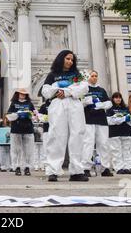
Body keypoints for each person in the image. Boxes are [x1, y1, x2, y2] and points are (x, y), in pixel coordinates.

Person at [41, 50, 89, 182]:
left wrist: (67, 91)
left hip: (74, 104)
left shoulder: (76, 74)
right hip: (58, 105)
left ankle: (77, 171)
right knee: (56, 136)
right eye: (67, 59)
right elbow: (45, 91)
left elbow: (84, 88)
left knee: (77, 135)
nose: (70, 62)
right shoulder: (52, 75)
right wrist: (57, 89)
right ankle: (53, 170)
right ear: (61, 59)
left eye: (72, 60)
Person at [81, 70, 113, 177]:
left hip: (101, 120)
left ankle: (105, 168)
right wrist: (87, 101)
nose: (94, 77)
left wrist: (101, 105)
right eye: (92, 76)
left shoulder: (101, 90)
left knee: (103, 144)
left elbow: (109, 103)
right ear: (88, 77)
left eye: (96, 76)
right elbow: (79, 102)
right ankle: (85, 168)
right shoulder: (84, 88)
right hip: (88, 119)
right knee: (88, 144)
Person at [6, 88, 36, 176]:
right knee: (16, 149)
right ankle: (17, 167)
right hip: (16, 128)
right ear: (17, 94)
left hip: (28, 128)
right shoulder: (14, 103)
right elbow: (9, 115)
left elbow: (35, 115)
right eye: (21, 94)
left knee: (28, 149)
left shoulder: (29, 104)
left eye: (24, 94)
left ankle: (27, 167)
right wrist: (18, 114)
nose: (22, 95)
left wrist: (29, 115)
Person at [106, 92, 131, 174]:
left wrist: (130, 119)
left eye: (119, 97)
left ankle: (127, 167)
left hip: (126, 132)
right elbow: (109, 121)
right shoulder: (110, 109)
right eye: (116, 97)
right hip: (114, 133)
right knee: (116, 151)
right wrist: (123, 119)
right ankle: (118, 168)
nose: (118, 99)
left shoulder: (126, 108)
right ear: (113, 99)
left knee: (126, 151)